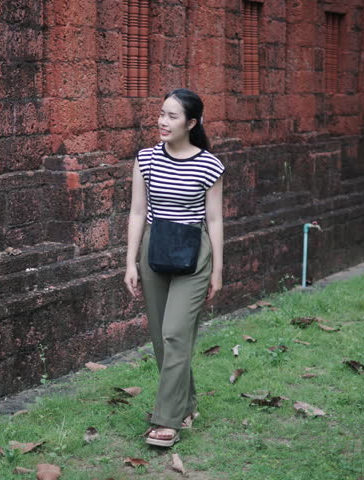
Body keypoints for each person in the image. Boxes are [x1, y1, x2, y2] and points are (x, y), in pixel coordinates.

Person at [124, 88, 225, 447]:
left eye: (171, 116)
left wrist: (217, 270)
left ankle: (166, 420)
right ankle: (186, 403)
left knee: (176, 334)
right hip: (154, 249)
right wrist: (130, 262)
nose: (162, 122)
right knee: (162, 341)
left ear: (191, 123)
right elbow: (137, 212)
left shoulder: (208, 165)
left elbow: (214, 220)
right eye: (161, 114)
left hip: (194, 253)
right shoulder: (146, 159)